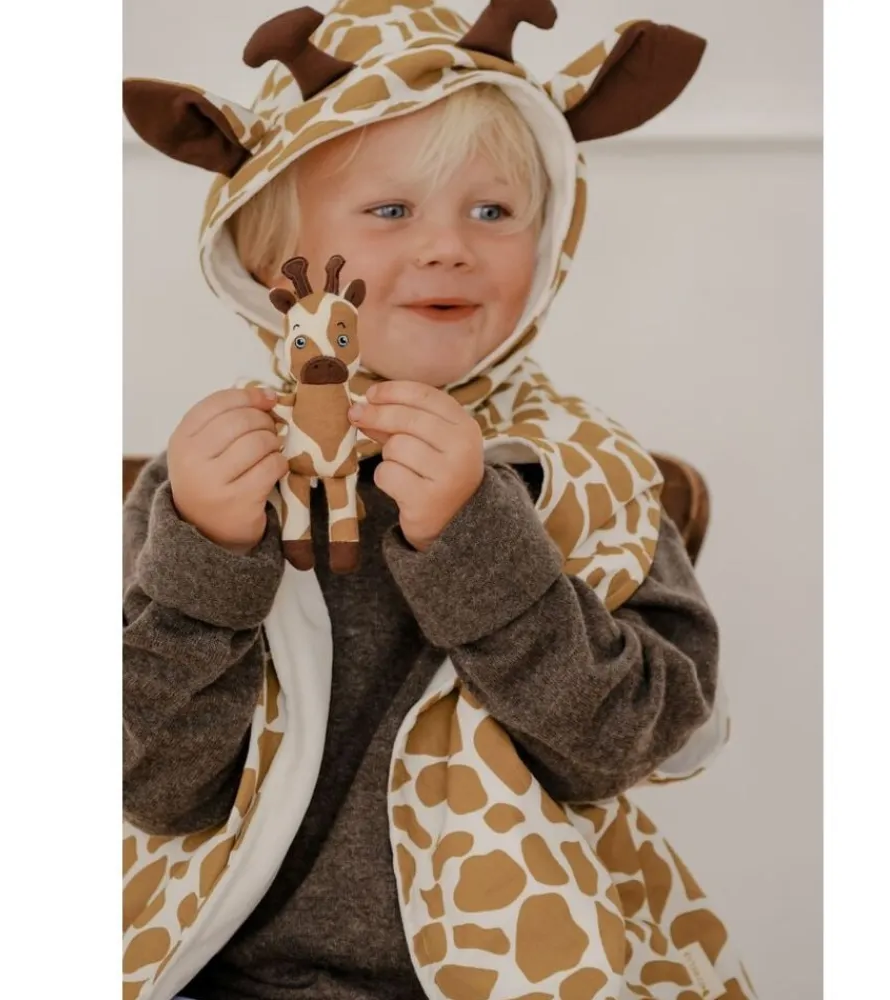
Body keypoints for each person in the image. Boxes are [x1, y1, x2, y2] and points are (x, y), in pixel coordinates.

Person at [122, 4, 750, 999]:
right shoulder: (205, 479)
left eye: (493, 212)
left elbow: (633, 744)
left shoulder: (589, 473)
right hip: (219, 973)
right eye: (390, 210)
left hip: (526, 966)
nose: (450, 247)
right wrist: (206, 559)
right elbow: (150, 786)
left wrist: (479, 533)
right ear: (270, 264)